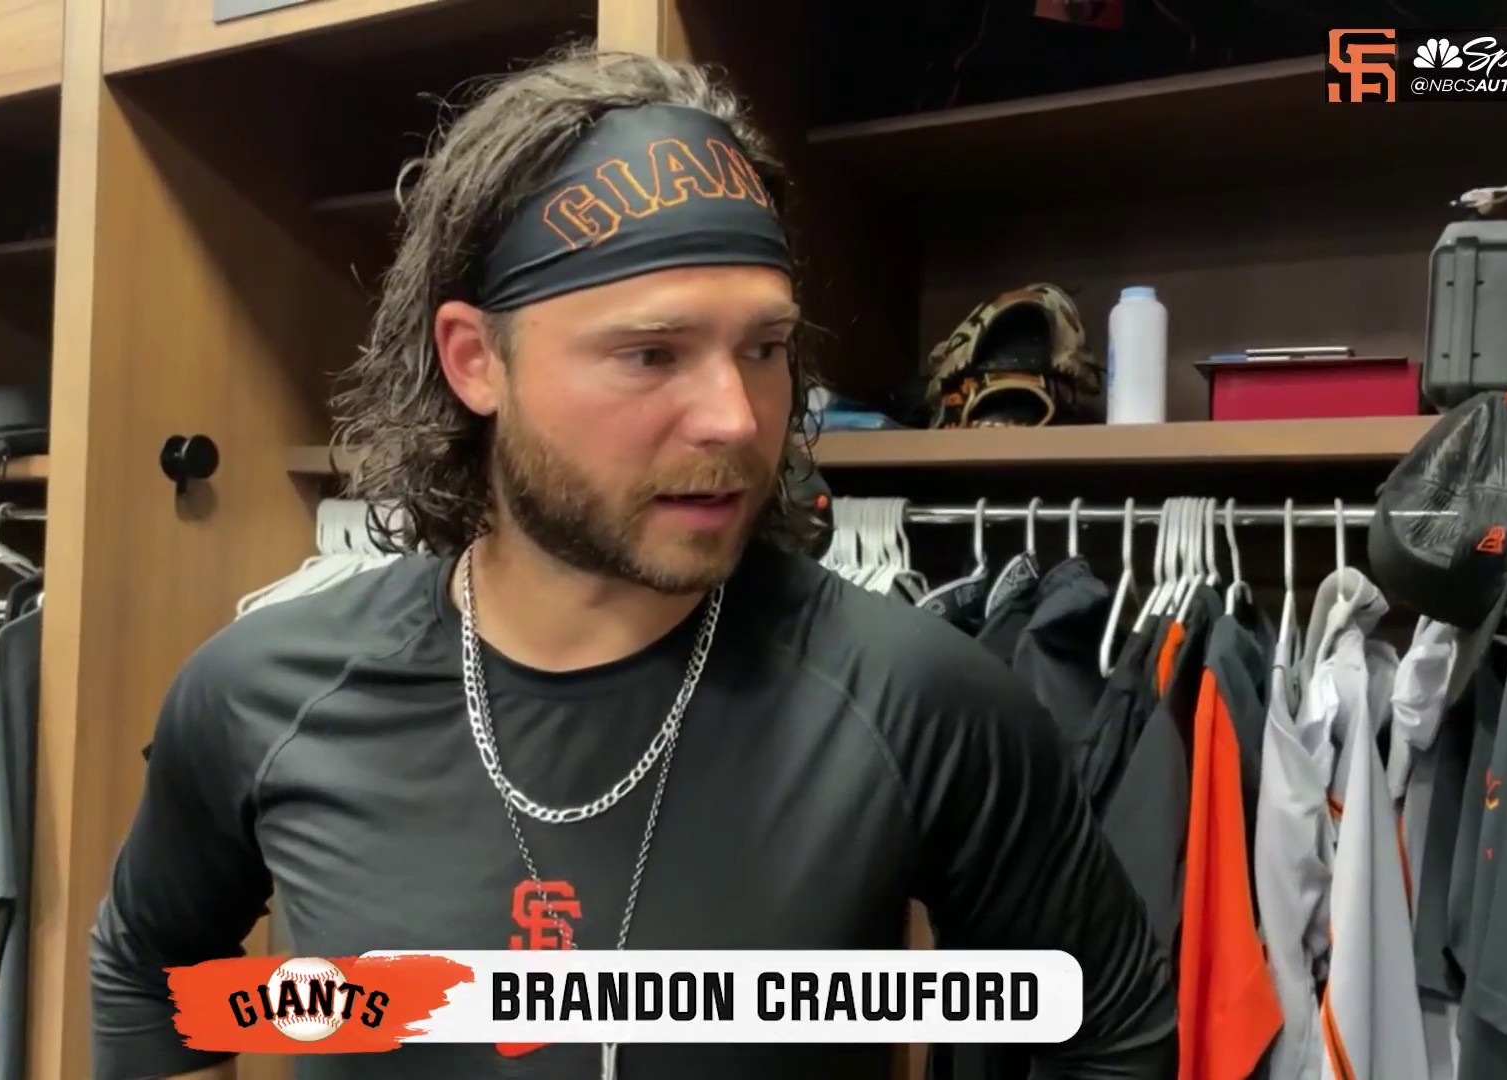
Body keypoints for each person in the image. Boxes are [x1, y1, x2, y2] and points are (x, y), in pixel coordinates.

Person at [89, 44, 1175, 1080]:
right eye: (652, 353)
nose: (735, 419)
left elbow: (1115, 1022)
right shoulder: (262, 697)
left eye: (763, 349)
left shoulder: (914, 699)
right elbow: (147, 967)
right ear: (476, 361)